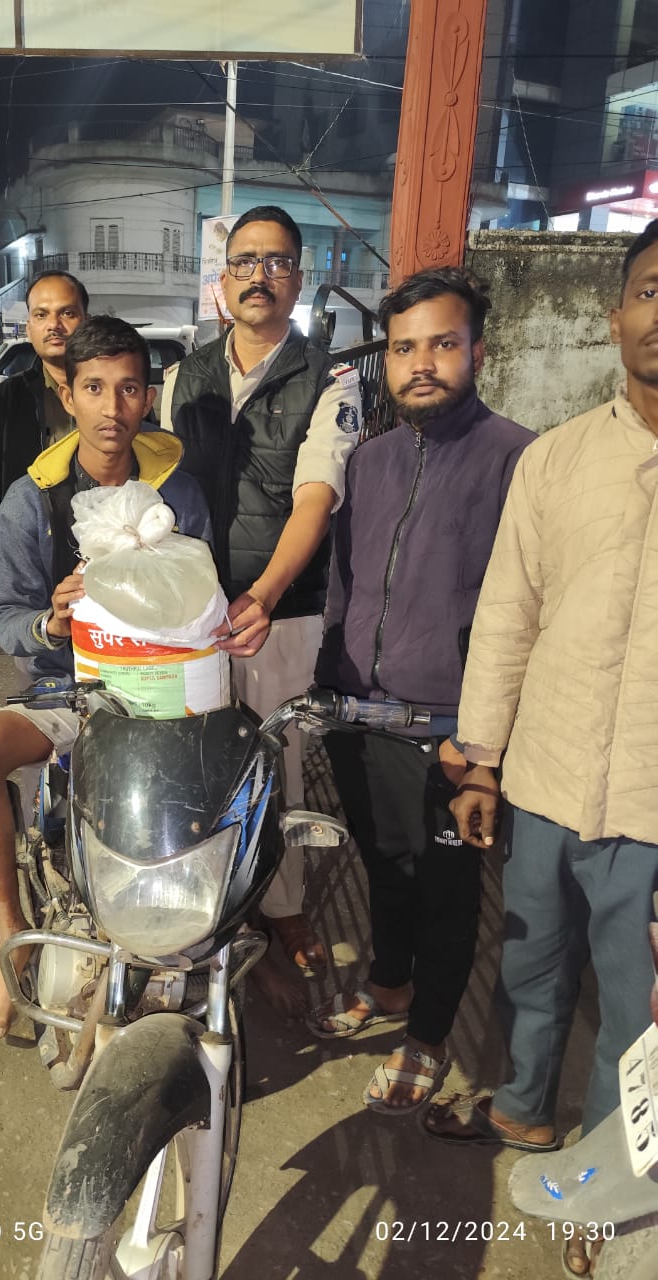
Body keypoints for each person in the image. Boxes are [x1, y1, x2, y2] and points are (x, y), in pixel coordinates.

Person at [422, 221, 658, 1277]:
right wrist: (480, 759)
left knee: (638, 1011)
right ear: (616, 317)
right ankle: (521, 1106)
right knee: (529, 959)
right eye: (650, 291)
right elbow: (509, 614)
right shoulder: (558, 459)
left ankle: (614, 1187)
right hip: (548, 774)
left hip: (651, 806)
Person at [311, 266, 533, 1114]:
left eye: (443, 344)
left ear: (478, 352)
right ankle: (390, 984)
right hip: (358, 714)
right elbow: (345, 585)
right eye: (405, 348)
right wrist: (330, 686)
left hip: (448, 728)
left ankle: (431, 1038)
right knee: (383, 868)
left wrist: (486, 749)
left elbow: (527, 613)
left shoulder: (519, 460)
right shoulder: (369, 461)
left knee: (447, 893)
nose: (422, 364)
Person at [0, 316, 212, 1038]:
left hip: (162, 694)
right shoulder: (31, 498)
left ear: (147, 398)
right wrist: (52, 621)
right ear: (67, 396)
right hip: (66, 694)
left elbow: (205, 596)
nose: (112, 407)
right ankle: (11, 929)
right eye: (94, 388)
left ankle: (203, 938)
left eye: (129, 389)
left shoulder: (178, 492)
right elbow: (3, 615)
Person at [161, 204, 362, 987]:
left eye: (276, 262)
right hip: (193, 615)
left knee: (279, 762)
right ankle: (205, 901)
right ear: (223, 279)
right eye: (245, 261)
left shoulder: (329, 379)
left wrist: (266, 594)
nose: (259, 276)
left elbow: (317, 494)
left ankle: (283, 907)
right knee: (193, 760)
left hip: (282, 614)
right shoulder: (183, 378)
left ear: (298, 280)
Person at [0, 271, 88, 500]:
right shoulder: (2, 402)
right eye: (41, 315)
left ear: (86, 321)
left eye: (67, 313)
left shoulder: (118, 394)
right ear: (29, 328)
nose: (54, 325)